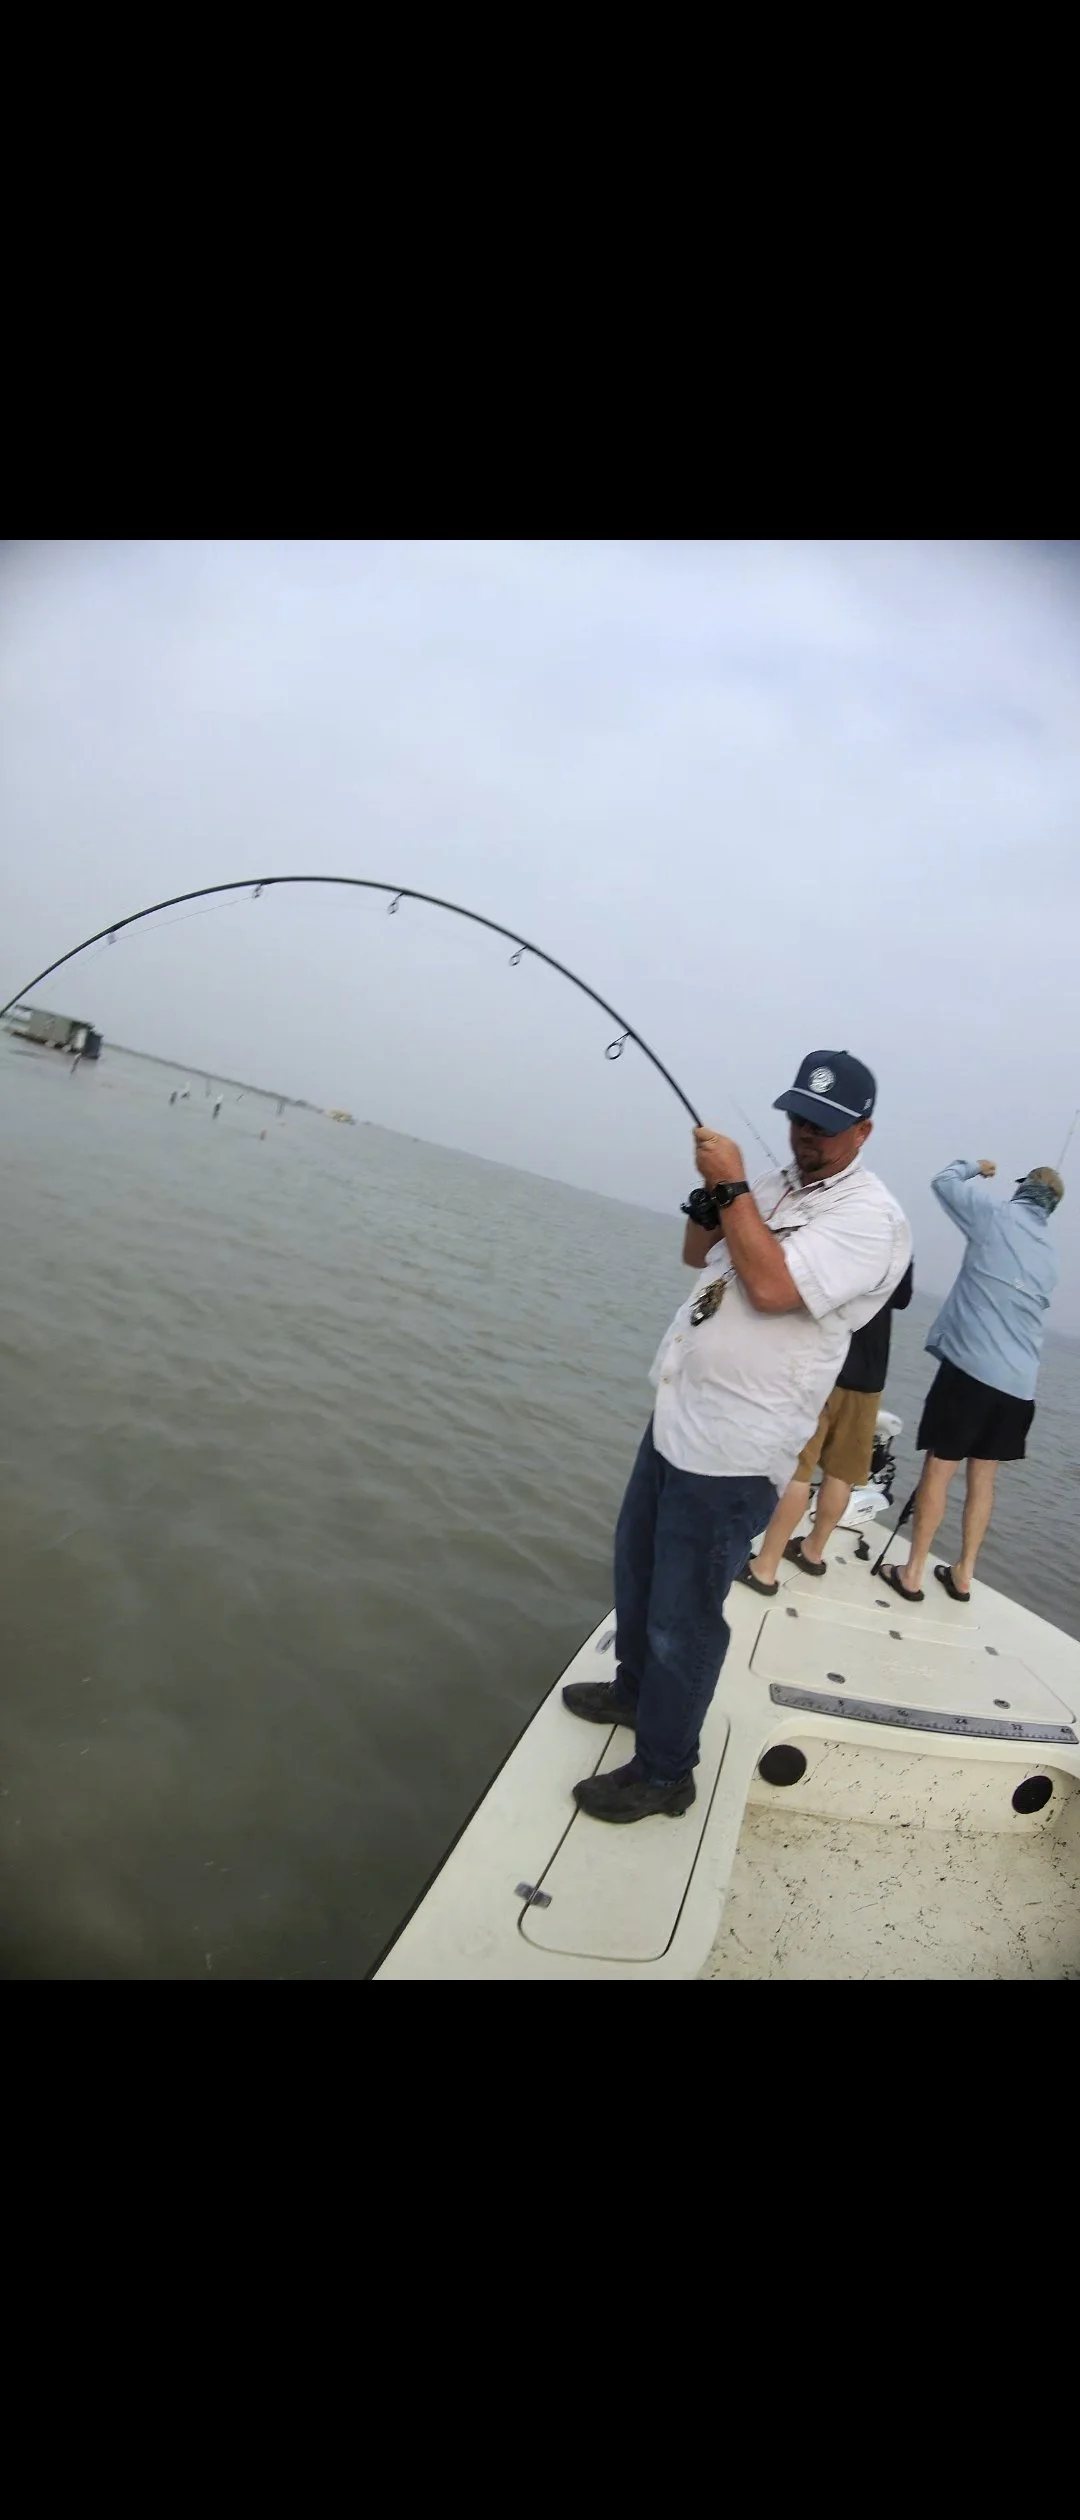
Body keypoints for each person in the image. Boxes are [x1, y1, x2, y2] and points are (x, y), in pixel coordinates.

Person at [563, 1051, 912, 1823]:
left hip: (736, 1449)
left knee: (683, 1613)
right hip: (678, 1418)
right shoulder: (781, 1185)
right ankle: (632, 1693)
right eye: (798, 1119)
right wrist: (712, 1198)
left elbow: (774, 1287)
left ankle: (664, 1772)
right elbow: (700, 1255)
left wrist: (732, 1187)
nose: (806, 1136)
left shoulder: (873, 1220)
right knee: (638, 1572)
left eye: (824, 1126)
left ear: (863, 1131)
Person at [887, 1160, 1062, 1606]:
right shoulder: (1050, 1257)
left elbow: (942, 1180)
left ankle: (912, 1572)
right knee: (983, 1479)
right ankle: (964, 1573)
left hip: (970, 1374)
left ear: (1022, 1189)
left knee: (939, 1469)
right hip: (1019, 1388)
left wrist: (977, 1167)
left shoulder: (994, 1216)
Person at [738, 1257, 914, 1592]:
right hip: (871, 1375)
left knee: (799, 1471)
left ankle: (765, 1567)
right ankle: (813, 1551)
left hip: (827, 1365)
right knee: (842, 1473)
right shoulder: (899, 1235)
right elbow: (902, 1298)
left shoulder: (845, 1222)